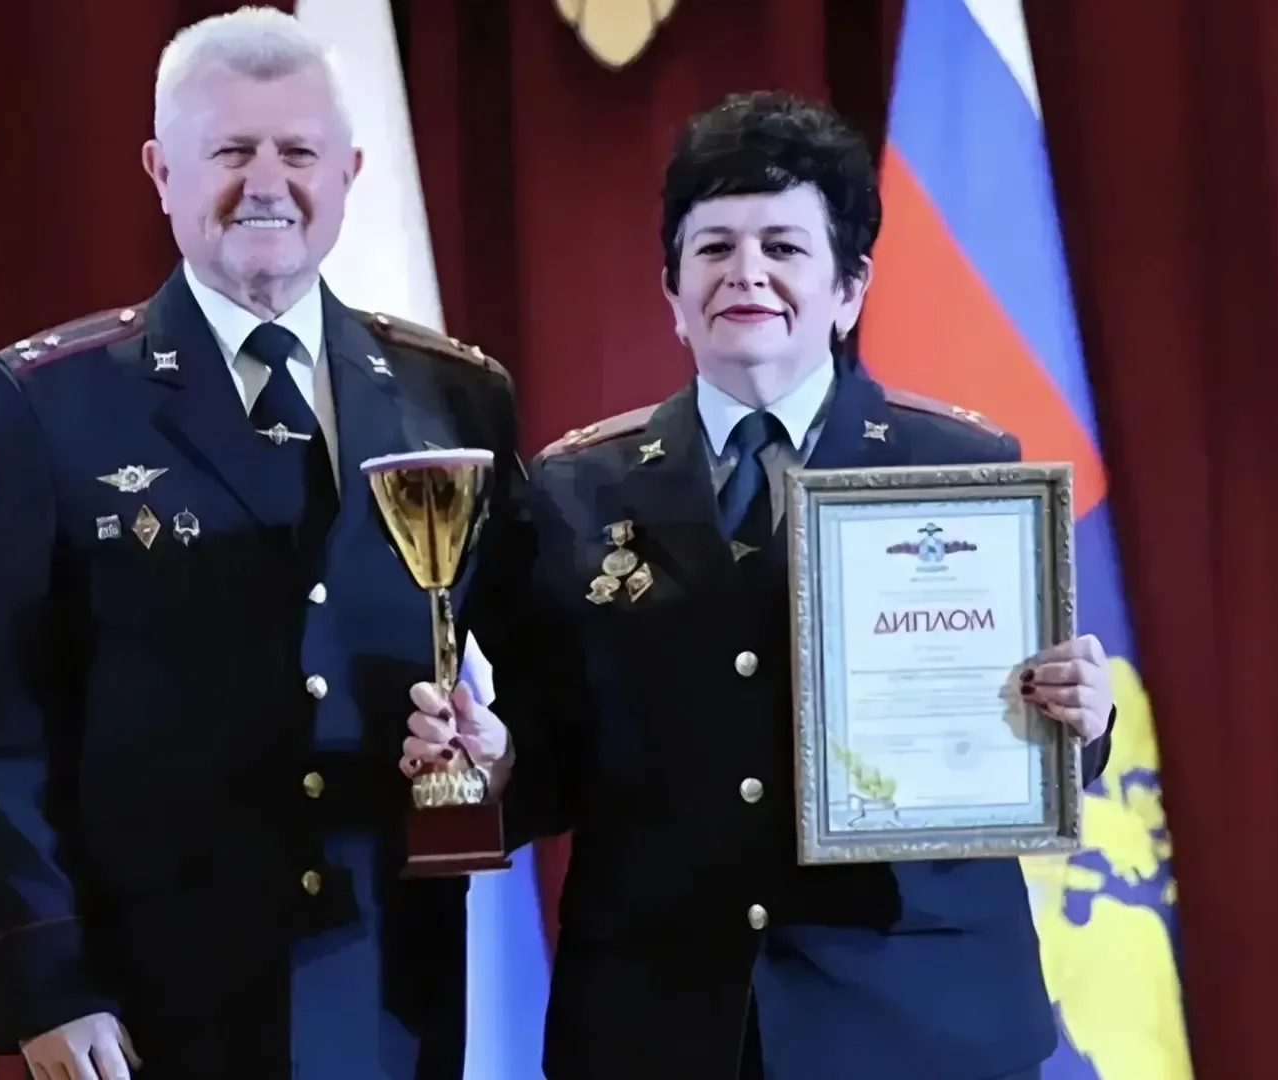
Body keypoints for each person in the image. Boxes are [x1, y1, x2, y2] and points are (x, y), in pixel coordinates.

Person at [413, 92, 1119, 1079]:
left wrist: (1082, 721)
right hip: (659, 1029)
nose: (746, 272)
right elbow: (558, 755)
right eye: (715, 248)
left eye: (783, 246)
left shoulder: (960, 471)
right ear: (672, 290)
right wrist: (497, 763)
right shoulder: (574, 490)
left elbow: (1013, 751)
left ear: (849, 288)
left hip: (915, 1024)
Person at [0, 9, 529, 1079]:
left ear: (348, 173)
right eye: (230, 151)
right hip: (146, 1010)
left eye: (297, 151)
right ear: (161, 172)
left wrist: (499, 758)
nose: (266, 183)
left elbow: (551, 681)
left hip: (386, 996)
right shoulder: (53, 401)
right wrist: (48, 986)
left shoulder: (455, 397)